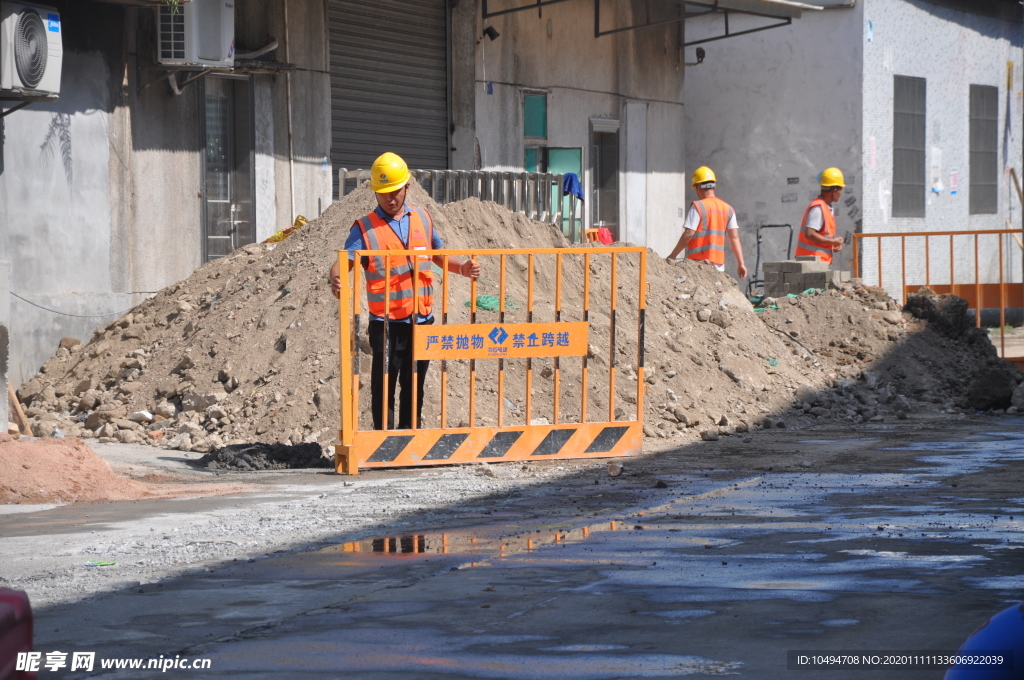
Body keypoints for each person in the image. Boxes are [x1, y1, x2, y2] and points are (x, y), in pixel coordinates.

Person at [329, 152, 480, 430]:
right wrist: (336, 279)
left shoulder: (422, 218)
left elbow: (437, 254)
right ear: (375, 192)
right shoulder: (364, 228)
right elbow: (342, 263)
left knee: (414, 385)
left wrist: (463, 268)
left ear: (407, 187)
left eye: (395, 191)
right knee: (384, 386)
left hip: (421, 320)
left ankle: (409, 440)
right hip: (386, 324)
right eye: (383, 193)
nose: (390, 198)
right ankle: (384, 443)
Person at [666, 166, 748, 280]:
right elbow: (734, 238)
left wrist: (673, 255)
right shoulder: (728, 209)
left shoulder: (698, 206)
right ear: (713, 186)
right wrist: (741, 264)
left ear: (699, 187)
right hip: (718, 268)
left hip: (698, 266)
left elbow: (689, 233)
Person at [795, 167, 846, 265]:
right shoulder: (818, 208)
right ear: (834, 190)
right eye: (840, 189)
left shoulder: (826, 207)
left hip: (817, 262)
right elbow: (810, 234)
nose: (841, 193)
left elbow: (821, 237)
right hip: (811, 263)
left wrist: (833, 244)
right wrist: (832, 242)